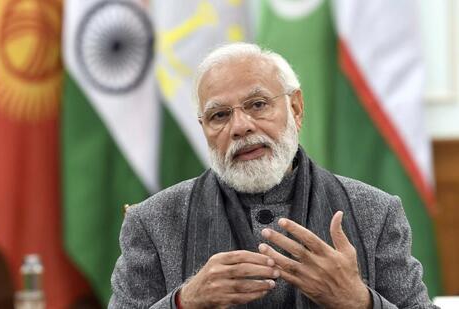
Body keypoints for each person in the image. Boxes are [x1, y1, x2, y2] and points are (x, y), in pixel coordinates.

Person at [108, 43, 437, 309]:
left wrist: (358, 301)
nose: (240, 127)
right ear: (204, 129)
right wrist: (184, 302)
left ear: (295, 108)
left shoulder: (375, 212)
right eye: (219, 115)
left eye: (257, 105)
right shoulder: (152, 221)